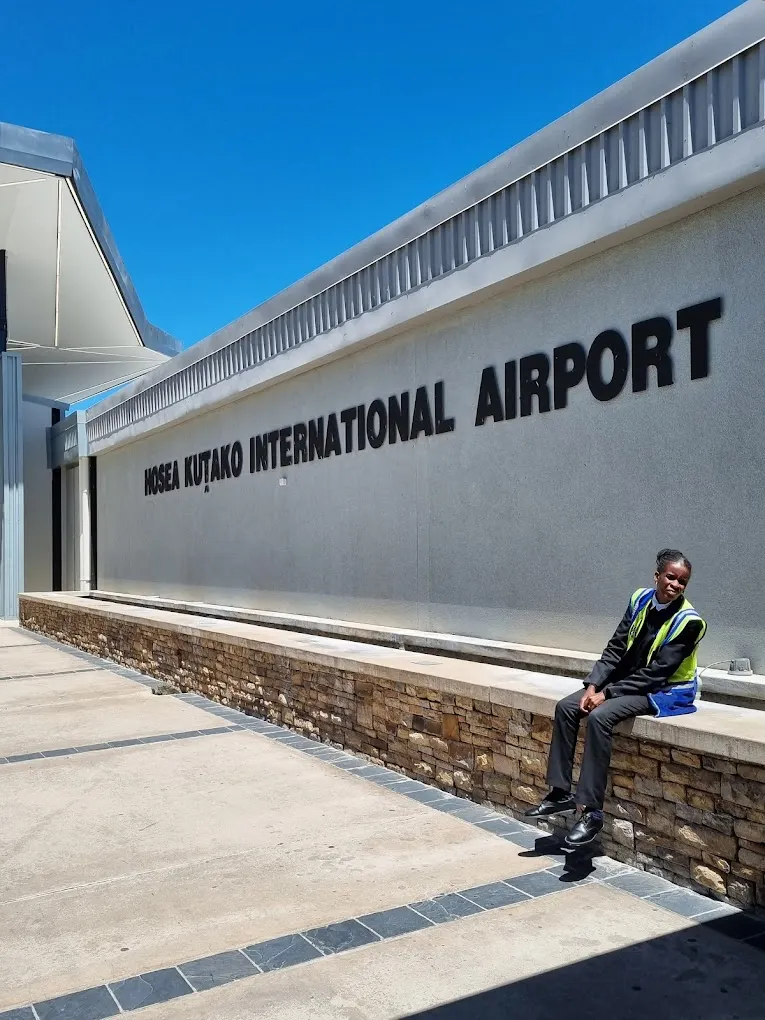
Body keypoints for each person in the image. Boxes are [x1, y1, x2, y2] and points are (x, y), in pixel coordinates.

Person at [525, 549, 706, 847]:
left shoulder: (690, 622)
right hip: (623, 680)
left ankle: (592, 813)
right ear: (657, 576)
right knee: (567, 707)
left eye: (682, 581)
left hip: (662, 690)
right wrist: (594, 685)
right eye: (671, 577)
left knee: (600, 716)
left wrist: (608, 694)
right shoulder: (639, 600)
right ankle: (560, 793)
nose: (675, 585)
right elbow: (616, 646)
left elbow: (658, 674)